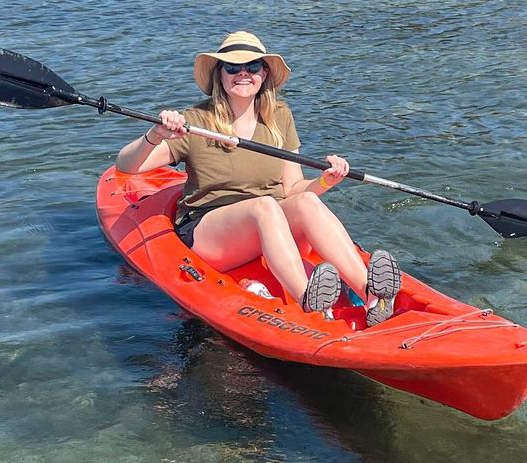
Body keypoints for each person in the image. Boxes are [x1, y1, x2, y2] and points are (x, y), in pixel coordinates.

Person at [114, 30, 401, 324]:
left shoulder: (279, 117)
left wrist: (326, 180)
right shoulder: (196, 122)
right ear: (219, 74)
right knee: (263, 206)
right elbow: (127, 166)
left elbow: (292, 189)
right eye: (232, 67)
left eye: (252, 67)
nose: (243, 74)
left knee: (307, 203)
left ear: (263, 73)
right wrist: (155, 134)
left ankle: (372, 295)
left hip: (272, 221)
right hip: (212, 232)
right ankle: (309, 302)